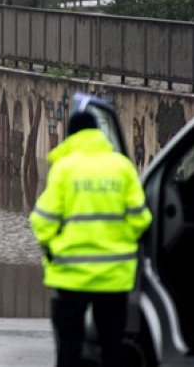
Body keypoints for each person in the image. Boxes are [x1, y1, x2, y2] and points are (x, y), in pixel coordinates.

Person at [29, 111, 152, 367]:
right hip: (114, 276)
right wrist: (122, 242)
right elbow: (141, 219)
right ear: (98, 133)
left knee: (70, 344)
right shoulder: (122, 167)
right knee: (112, 345)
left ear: (72, 136)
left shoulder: (65, 169)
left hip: (71, 275)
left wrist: (51, 247)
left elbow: (42, 219)